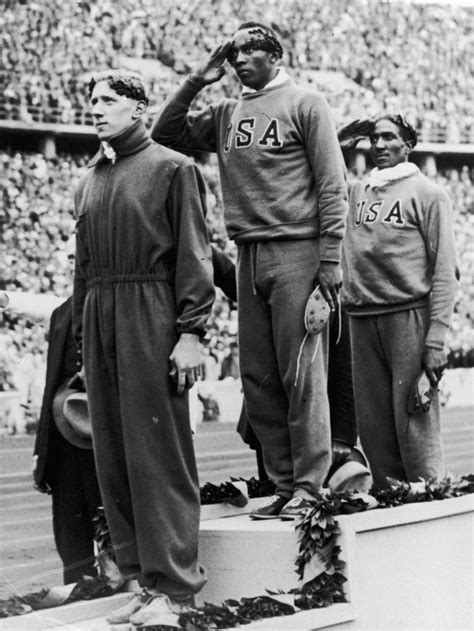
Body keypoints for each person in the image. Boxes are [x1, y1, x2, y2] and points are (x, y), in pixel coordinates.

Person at [152, 22, 348, 519]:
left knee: (300, 373)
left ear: (274, 55)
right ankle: (283, 482)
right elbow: (165, 135)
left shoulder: (306, 104)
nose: (238, 60)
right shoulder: (226, 111)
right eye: (233, 53)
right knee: (258, 378)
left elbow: (331, 183)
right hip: (248, 252)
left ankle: (311, 484)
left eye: (248, 51)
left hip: (297, 249)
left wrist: (328, 259)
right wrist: (198, 79)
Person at [72, 70, 215, 627]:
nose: (95, 108)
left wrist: (191, 333)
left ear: (138, 108)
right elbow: (83, 271)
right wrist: (84, 344)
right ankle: (142, 578)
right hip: (99, 316)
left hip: (150, 314)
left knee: (158, 456)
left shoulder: (173, 168)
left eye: (107, 100)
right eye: (91, 100)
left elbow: (195, 257)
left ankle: (176, 588)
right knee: (114, 455)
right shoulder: (88, 181)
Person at [339, 115, 458, 488]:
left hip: (408, 315)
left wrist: (436, 340)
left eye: (389, 137)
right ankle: (390, 505)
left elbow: (445, 271)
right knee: (374, 428)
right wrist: (343, 140)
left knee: (415, 424)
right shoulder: (358, 190)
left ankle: (429, 510)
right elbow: (320, 173)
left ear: (408, 144)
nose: (379, 145)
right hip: (361, 316)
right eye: (373, 138)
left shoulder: (429, 193)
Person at [0, 239, 102, 585]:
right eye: (71, 258)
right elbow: (48, 389)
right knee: (69, 523)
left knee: (109, 515)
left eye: (80, 255)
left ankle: (122, 583)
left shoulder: (116, 305)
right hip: (64, 437)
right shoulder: (61, 311)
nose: (75, 263)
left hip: (105, 437)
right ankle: (78, 586)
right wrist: (41, 452)